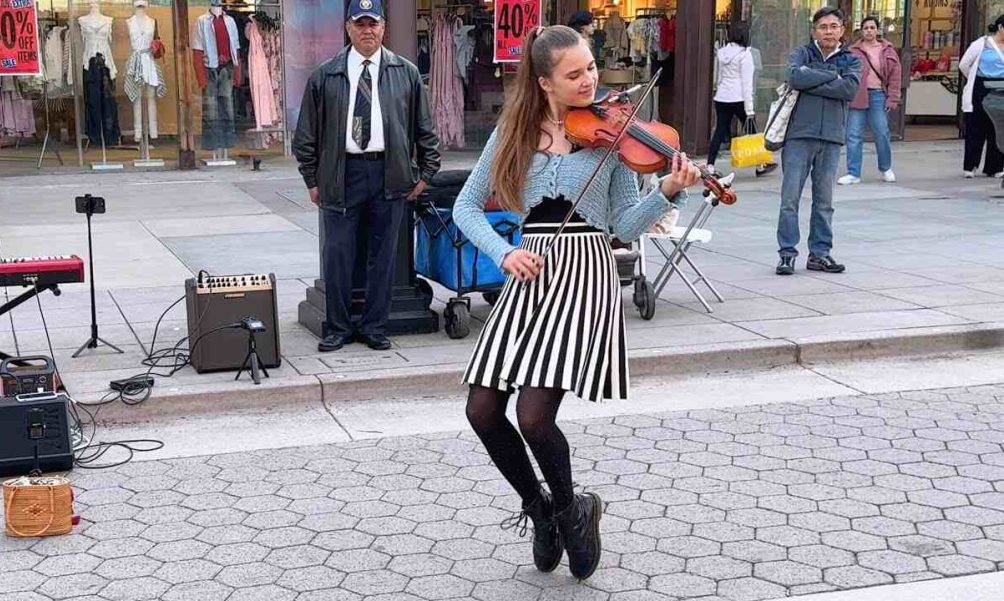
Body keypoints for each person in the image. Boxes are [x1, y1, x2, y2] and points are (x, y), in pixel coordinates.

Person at [452, 26, 699, 581]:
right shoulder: (513, 132)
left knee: (534, 417)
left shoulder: (613, 139)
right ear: (544, 83)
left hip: (586, 276)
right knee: (482, 409)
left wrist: (667, 190)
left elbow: (621, 225)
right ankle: (543, 512)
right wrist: (503, 252)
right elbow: (466, 209)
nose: (589, 80)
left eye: (590, 67)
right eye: (574, 73)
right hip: (532, 275)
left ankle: (573, 513)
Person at [293, 0, 441, 353]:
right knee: (338, 255)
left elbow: (425, 130)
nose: (367, 30)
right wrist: (312, 179)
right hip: (341, 173)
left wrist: (425, 174)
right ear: (348, 28)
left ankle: (375, 326)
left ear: (384, 26)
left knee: (383, 256)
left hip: (389, 174)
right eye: (360, 24)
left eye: (373, 23)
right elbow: (306, 136)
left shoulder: (404, 73)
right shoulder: (325, 75)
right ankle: (339, 328)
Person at [775, 6, 860, 277]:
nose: (828, 31)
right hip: (799, 135)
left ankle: (820, 254)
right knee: (790, 198)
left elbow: (849, 89)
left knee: (825, 201)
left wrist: (813, 78)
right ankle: (787, 254)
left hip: (832, 137)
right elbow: (795, 76)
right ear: (814, 30)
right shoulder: (801, 53)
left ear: (842, 30)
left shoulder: (851, 59)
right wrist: (830, 74)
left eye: (833, 26)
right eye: (823, 27)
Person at [707, 21, 777, 177]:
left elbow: (719, 77)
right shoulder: (745, 55)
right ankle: (760, 164)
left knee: (719, 130)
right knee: (751, 129)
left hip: (722, 96)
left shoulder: (722, 52)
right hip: (738, 97)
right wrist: (750, 108)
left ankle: (710, 166)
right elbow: (747, 83)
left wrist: (719, 89)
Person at [838, 16, 901, 185]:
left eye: (872, 28)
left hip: (878, 95)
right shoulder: (853, 51)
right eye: (866, 28)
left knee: (881, 132)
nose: (869, 31)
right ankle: (853, 173)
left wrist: (892, 99)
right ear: (861, 31)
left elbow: (895, 77)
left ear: (877, 30)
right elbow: (843, 73)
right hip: (857, 96)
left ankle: (886, 167)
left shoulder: (887, 50)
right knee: (853, 134)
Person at [959, 14, 1004, 178]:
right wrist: (973, 77)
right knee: (976, 127)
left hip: (1001, 87)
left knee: (998, 127)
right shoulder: (982, 43)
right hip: (981, 86)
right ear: (1000, 27)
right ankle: (970, 166)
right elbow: (964, 64)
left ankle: (995, 166)